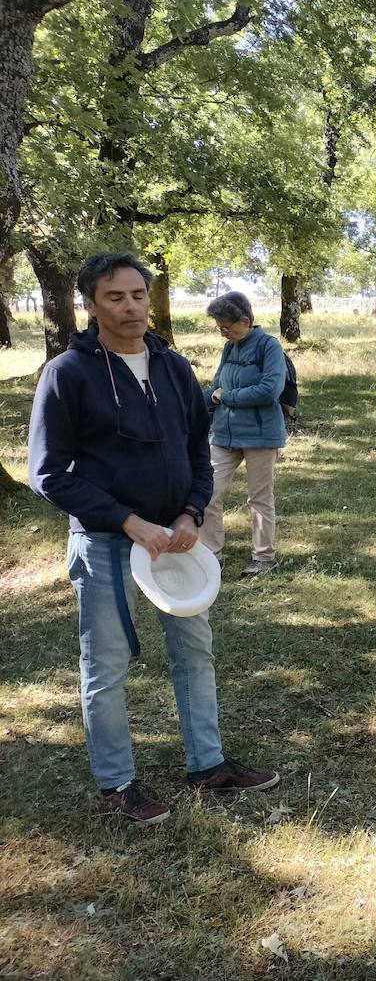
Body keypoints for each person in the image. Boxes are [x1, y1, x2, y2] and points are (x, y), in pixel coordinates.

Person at [27, 251, 279, 824]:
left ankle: (208, 765)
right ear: (89, 304)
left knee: (195, 653)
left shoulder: (172, 366)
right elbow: (48, 472)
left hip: (177, 539)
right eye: (115, 297)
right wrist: (125, 520)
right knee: (107, 665)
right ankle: (118, 784)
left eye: (138, 294)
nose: (131, 306)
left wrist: (192, 512)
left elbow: (198, 444)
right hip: (108, 542)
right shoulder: (68, 373)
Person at [201, 291, 288, 577]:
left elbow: (270, 390)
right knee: (207, 493)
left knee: (259, 498)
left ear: (246, 321)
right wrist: (203, 399)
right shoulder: (230, 348)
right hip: (224, 434)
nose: (223, 332)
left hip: (261, 436)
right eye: (219, 327)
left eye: (227, 326)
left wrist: (227, 397)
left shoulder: (269, 346)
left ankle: (264, 559)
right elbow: (217, 385)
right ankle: (210, 556)